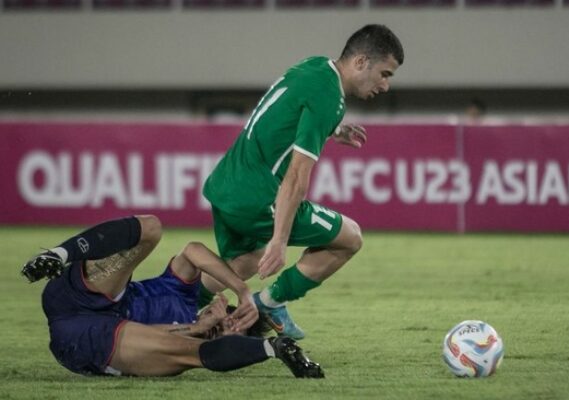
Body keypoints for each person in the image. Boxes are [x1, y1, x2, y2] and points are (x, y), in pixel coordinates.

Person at [201, 24, 404, 340]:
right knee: (350, 237)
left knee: (243, 262)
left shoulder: (315, 66)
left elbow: (287, 111)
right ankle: (267, 304)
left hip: (226, 183)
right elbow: (296, 176)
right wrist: (279, 240)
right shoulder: (329, 99)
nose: (385, 85)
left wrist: (332, 130)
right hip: (257, 197)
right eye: (385, 73)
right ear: (362, 62)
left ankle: (164, 302)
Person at [20, 215, 323, 378]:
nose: (228, 328)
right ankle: (59, 254)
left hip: (85, 341)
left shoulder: (178, 351)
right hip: (86, 294)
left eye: (234, 334)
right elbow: (192, 252)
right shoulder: (184, 296)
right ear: (226, 310)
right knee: (151, 227)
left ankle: (277, 348)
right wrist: (242, 290)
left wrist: (199, 331)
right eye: (234, 321)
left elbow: (158, 339)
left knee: (189, 354)